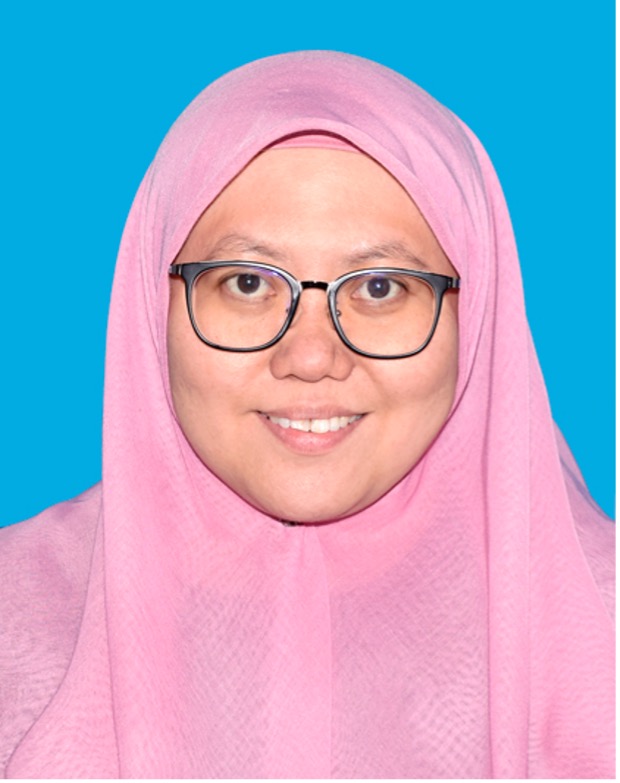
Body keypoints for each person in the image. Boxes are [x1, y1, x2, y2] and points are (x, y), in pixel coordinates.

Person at [0, 51, 613, 778]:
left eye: (381, 286)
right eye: (247, 282)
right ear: (150, 303)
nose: (312, 355)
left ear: (475, 312)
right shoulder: (15, 611)